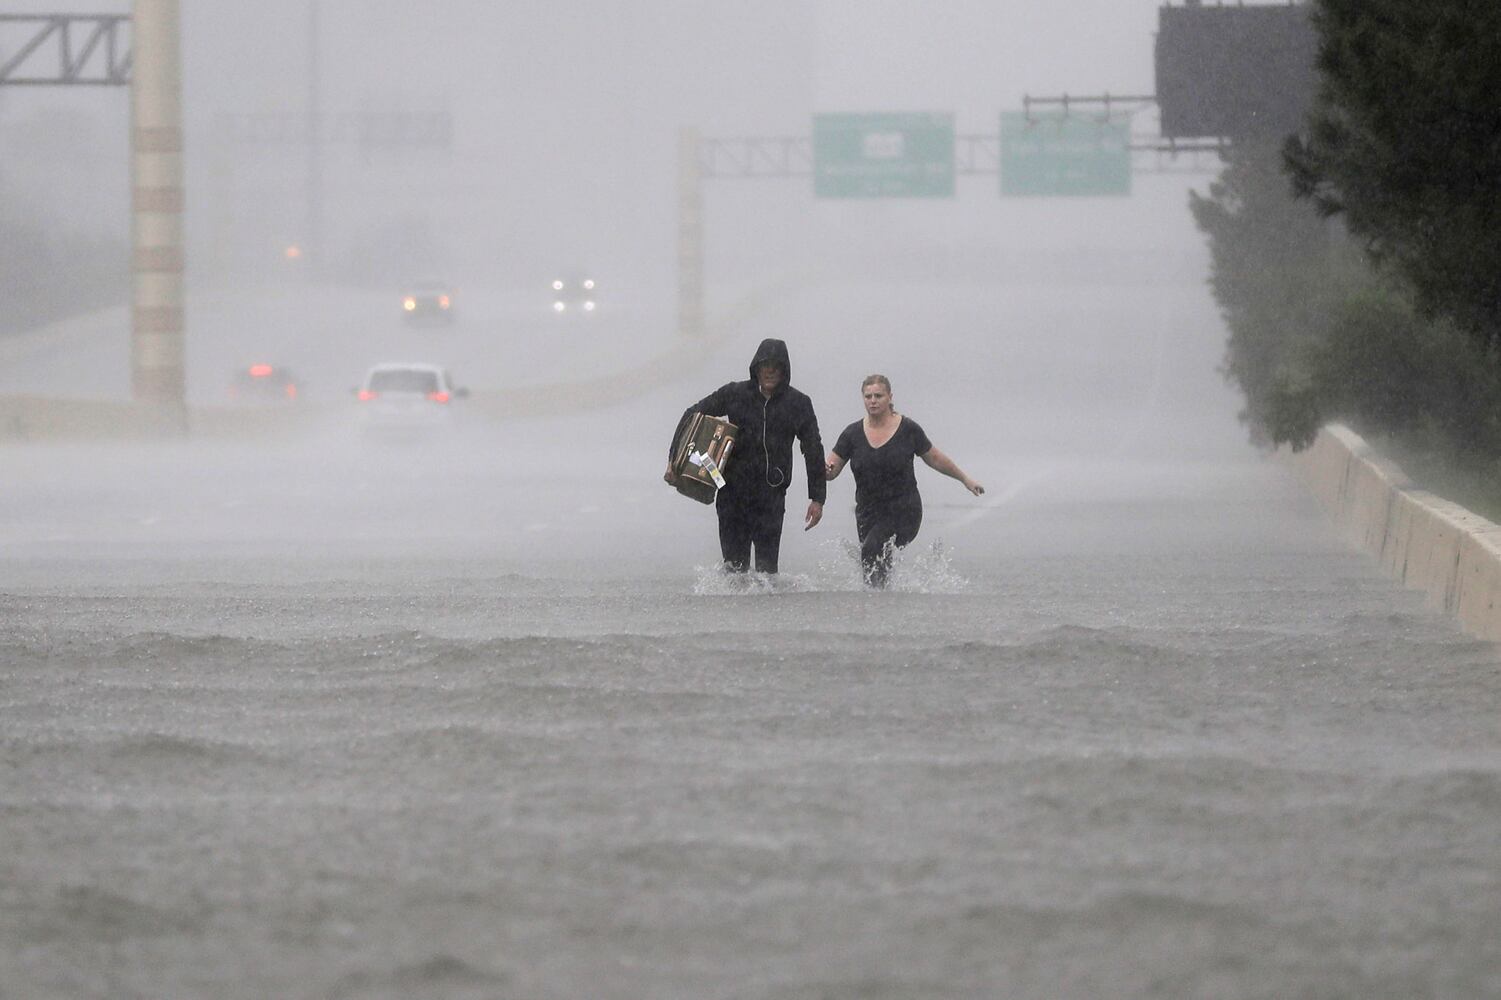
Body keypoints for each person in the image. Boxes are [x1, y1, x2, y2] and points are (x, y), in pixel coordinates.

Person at [666, 338, 825, 574]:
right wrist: (675, 459)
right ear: (756, 368)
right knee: (734, 571)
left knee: (767, 573)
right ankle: (735, 612)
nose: (770, 370)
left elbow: (813, 448)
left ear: (785, 370)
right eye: (764, 365)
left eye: (776, 365)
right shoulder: (735, 393)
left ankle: (765, 611)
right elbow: (693, 413)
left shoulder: (798, 403)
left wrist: (817, 498)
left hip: (771, 495)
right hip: (731, 492)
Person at [824, 374, 984, 587]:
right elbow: (831, 470)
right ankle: (885, 600)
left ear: (890, 397)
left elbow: (934, 458)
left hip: (904, 509)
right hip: (867, 512)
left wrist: (965, 479)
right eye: (868, 396)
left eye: (878, 395)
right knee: (874, 557)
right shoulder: (852, 434)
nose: (873, 400)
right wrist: (822, 470)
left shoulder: (908, 429)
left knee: (872, 549)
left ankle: (875, 601)